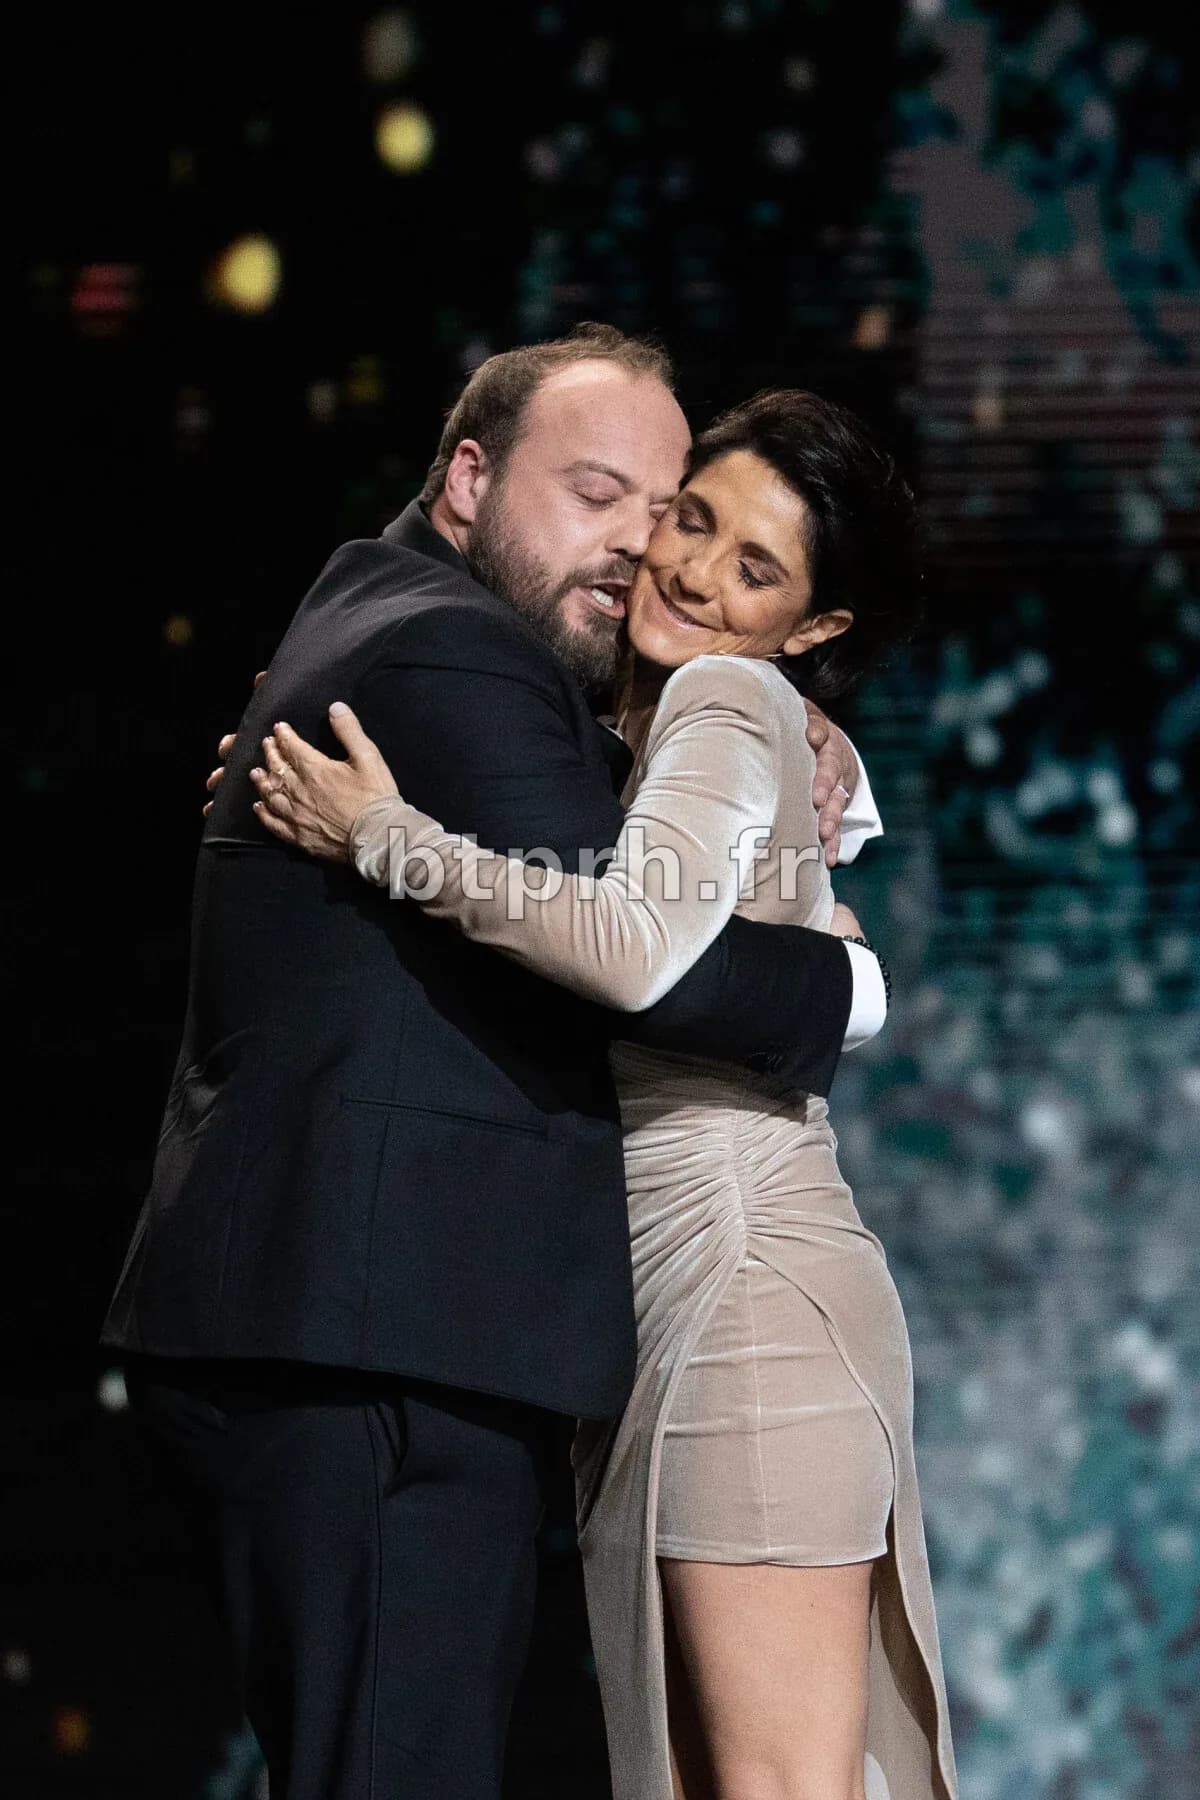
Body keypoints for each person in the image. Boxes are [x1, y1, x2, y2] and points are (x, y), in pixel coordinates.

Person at [102, 327, 888, 1800]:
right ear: (467, 481)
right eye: (605, 496)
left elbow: (615, 879)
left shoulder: (385, 619)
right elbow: (644, 959)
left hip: (403, 1328)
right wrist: (848, 981)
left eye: (675, 513)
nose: (648, 551)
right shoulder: (459, 650)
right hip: (383, 1340)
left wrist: (782, 740)